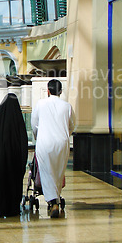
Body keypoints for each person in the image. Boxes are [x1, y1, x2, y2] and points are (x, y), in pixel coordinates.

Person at [31, 79, 75, 219]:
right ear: (61, 91)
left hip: (44, 142)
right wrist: (65, 134)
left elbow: (34, 124)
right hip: (62, 142)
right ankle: (55, 198)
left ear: (48, 91)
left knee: (46, 171)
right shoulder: (67, 106)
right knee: (58, 172)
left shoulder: (40, 104)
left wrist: (37, 136)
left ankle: (54, 202)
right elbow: (72, 125)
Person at [0, 93, 28, 218]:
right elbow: (23, 142)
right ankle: (11, 209)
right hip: (14, 157)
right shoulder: (18, 120)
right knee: (12, 181)